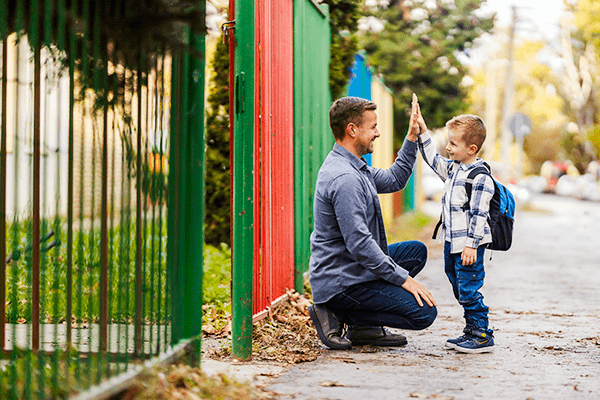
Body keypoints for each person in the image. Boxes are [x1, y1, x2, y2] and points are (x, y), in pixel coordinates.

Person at [308, 96, 437, 350]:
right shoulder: (344, 178)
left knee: (415, 252)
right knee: (424, 314)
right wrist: (403, 279)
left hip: (352, 267)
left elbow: (394, 180)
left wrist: (412, 137)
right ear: (352, 130)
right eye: (373, 127)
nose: (378, 133)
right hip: (341, 279)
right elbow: (360, 244)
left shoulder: (355, 167)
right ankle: (337, 312)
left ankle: (363, 329)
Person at [413, 97, 495, 353]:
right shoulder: (455, 169)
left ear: (472, 148)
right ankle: (471, 330)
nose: (447, 147)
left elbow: (480, 215)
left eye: (452, 143)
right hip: (452, 244)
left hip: (469, 246)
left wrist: (471, 246)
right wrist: (423, 130)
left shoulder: (480, 178)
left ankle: (482, 334)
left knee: (469, 289)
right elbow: (431, 158)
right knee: (459, 286)